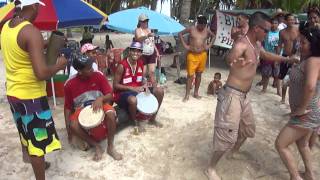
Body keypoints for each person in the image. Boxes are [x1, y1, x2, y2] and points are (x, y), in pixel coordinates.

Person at [205, 12, 297, 180]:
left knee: (248, 129)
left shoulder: (256, 44)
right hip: (232, 95)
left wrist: (287, 59)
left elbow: (266, 55)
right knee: (226, 136)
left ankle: (233, 152)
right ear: (256, 28)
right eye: (266, 30)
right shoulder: (242, 44)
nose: (268, 33)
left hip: (244, 97)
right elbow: (230, 56)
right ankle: (211, 168)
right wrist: (234, 60)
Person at [0, 1, 68, 180]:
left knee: (25, 131)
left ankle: (33, 158)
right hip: (31, 99)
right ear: (34, 6)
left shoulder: (7, 26)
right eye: (38, 6)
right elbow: (42, 74)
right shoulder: (31, 32)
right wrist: (60, 64)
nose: (38, 10)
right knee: (38, 143)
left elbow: (22, 47)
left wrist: (44, 43)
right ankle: (39, 168)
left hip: (14, 93)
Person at [275, 27, 320, 180]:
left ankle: (295, 177)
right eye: (300, 41)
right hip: (309, 111)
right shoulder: (307, 59)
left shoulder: (314, 60)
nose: (300, 45)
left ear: (314, 44)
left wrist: (301, 109)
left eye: (304, 42)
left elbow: (310, 86)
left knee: (281, 144)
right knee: (302, 144)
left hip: (306, 113)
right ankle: (309, 174)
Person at [64, 54, 122, 161]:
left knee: (110, 113)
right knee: (73, 124)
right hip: (81, 109)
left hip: (99, 103)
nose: (92, 69)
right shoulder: (69, 84)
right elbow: (67, 107)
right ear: (80, 71)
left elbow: (110, 95)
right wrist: (68, 130)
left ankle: (110, 147)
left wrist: (100, 99)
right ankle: (96, 145)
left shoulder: (98, 76)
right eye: (89, 68)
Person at [113, 41, 164, 133]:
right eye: (134, 50)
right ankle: (134, 122)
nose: (136, 53)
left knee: (159, 91)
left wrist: (145, 85)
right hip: (123, 93)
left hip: (137, 90)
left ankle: (152, 119)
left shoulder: (140, 63)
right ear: (129, 51)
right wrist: (132, 88)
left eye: (138, 51)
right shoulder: (122, 65)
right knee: (133, 100)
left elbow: (141, 79)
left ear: (141, 53)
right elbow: (115, 85)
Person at [179, 15, 215, 102]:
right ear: (197, 23)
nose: (202, 27)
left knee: (199, 74)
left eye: (204, 25)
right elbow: (180, 34)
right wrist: (185, 45)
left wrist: (209, 46)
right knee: (190, 75)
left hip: (202, 54)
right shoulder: (191, 29)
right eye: (200, 25)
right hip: (192, 54)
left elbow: (214, 36)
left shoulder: (207, 30)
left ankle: (196, 93)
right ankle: (187, 95)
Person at [276, 13, 300, 104]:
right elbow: (279, 45)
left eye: (292, 19)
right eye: (289, 19)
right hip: (285, 56)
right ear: (285, 21)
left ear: (295, 20)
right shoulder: (282, 32)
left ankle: (294, 100)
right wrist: (278, 58)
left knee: (295, 79)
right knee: (282, 77)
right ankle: (282, 98)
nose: (291, 21)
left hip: (297, 57)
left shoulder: (299, 30)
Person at [134, 14, 160, 87]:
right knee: (143, 73)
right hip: (142, 54)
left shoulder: (149, 30)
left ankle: (154, 88)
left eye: (147, 21)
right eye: (144, 21)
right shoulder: (138, 30)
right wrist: (147, 36)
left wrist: (157, 51)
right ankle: (141, 88)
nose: (146, 22)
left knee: (152, 72)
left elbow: (152, 42)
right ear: (140, 22)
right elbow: (138, 39)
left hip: (152, 53)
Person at [259, 18, 281, 94]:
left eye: (276, 23)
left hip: (277, 56)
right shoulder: (267, 32)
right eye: (273, 23)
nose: (274, 24)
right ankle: (264, 89)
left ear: (278, 24)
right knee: (266, 74)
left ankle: (279, 91)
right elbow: (262, 43)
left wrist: (277, 58)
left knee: (277, 75)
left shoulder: (280, 33)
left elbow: (280, 46)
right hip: (267, 55)